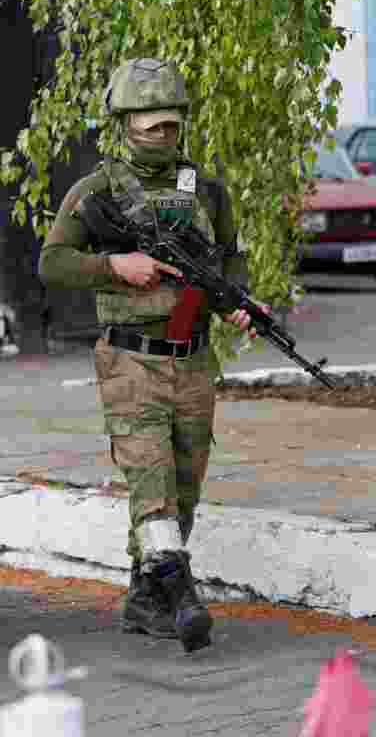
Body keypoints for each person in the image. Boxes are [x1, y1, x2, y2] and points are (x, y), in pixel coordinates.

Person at [39, 57, 259, 653]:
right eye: (148, 125)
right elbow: (52, 262)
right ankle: (181, 598)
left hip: (191, 359)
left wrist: (234, 302)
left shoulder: (207, 192)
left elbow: (229, 259)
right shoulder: (96, 193)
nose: (161, 135)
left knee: (185, 484)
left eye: (169, 125)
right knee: (151, 484)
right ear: (124, 124)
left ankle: (145, 598)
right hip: (131, 360)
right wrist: (113, 265)